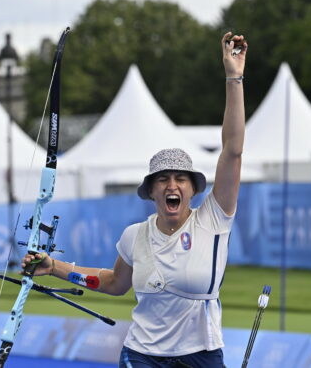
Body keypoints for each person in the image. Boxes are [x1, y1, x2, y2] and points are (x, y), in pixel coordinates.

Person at [21, 32, 247, 368]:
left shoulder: (213, 219)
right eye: (163, 179)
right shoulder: (135, 236)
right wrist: (54, 267)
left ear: (192, 189)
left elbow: (232, 151)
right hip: (142, 355)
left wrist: (234, 77)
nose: (172, 185)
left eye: (180, 178)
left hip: (201, 354)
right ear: (152, 191)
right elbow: (113, 283)